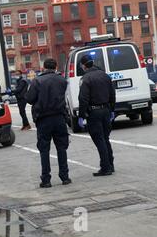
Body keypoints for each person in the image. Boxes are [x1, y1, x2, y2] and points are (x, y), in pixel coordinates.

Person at [25, 59, 71, 188]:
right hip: (59, 117)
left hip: (43, 118)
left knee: (44, 149)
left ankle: (46, 179)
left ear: (43, 67)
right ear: (56, 66)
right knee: (62, 147)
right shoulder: (62, 80)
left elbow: (29, 99)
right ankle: (65, 176)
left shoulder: (37, 81)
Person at [78, 55, 116, 177]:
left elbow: (83, 98)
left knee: (99, 140)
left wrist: (81, 115)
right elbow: (112, 93)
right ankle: (110, 164)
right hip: (105, 110)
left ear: (83, 65)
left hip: (94, 112)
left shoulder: (86, 78)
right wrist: (112, 109)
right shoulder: (104, 75)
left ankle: (105, 167)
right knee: (106, 138)